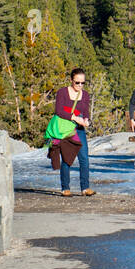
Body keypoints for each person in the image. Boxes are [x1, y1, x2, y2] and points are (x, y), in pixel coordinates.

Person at [54, 68, 93, 196]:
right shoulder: (62, 93)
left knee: (84, 158)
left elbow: (86, 111)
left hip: (80, 129)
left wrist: (86, 120)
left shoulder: (85, 95)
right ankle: (65, 187)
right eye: (77, 83)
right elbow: (59, 111)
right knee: (67, 158)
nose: (80, 86)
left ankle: (85, 187)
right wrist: (75, 118)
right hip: (66, 129)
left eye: (83, 83)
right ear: (71, 80)